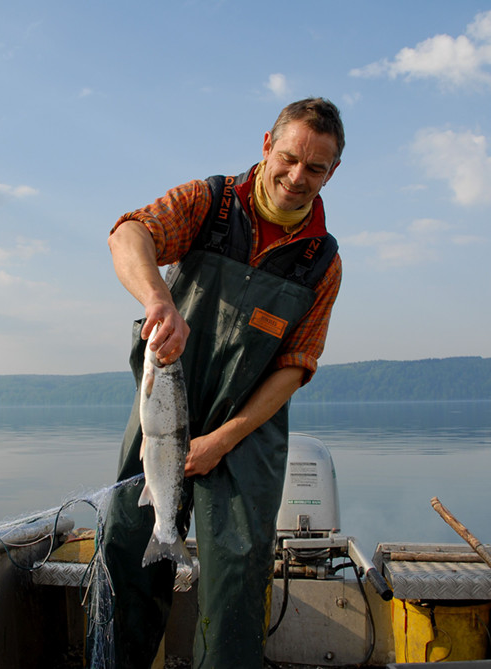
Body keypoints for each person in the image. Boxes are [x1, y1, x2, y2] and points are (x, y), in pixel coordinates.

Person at [101, 97, 344, 668]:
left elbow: (295, 367)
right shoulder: (208, 204)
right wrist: (159, 301)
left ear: (333, 171)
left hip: (247, 427)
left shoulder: (321, 262)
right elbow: (128, 234)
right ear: (266, 145)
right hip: (165, 406)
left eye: (315, 168)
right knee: (128, 547)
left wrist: (224, 439)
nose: (296, 177)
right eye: (288, 158)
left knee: (237, 579)